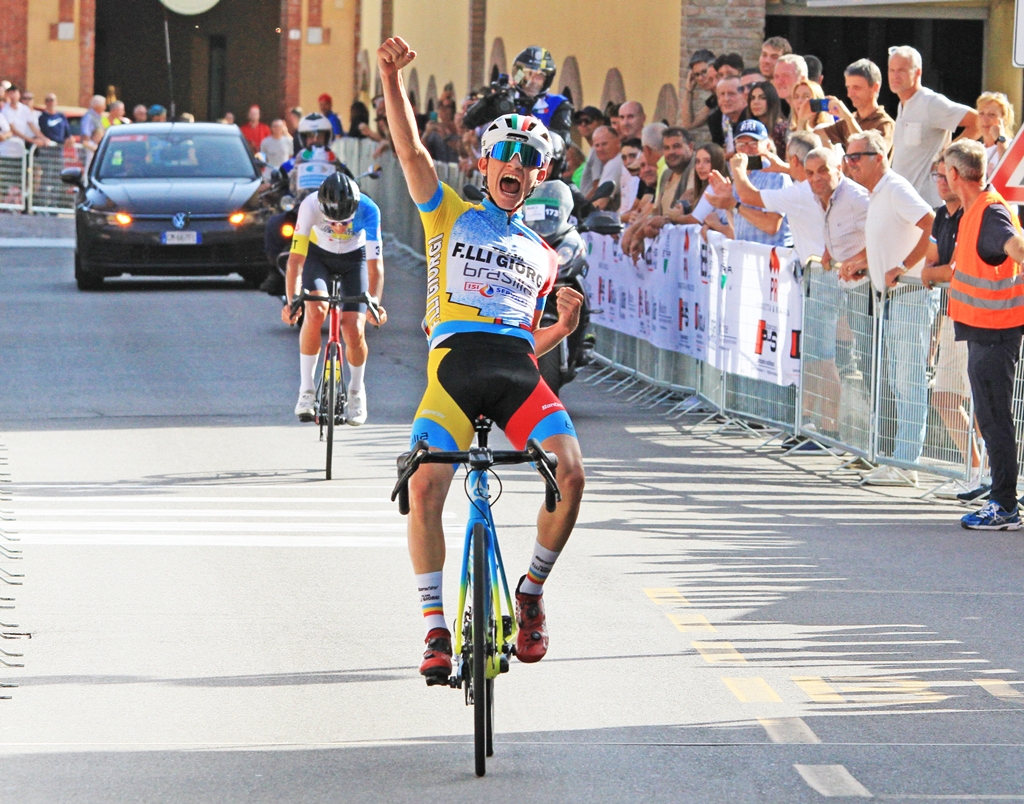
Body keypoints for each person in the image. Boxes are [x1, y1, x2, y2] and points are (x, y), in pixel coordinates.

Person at [377, 35, 586, 679]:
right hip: (454, 369)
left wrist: (565, 327)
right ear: (486, 160)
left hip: (516, 373)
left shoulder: (544, 255)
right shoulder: (449, 213)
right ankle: (436, 628)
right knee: (423, 486)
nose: (516, 168)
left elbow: (526, 341)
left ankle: (529, 592)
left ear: (538, 176)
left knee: (571, 473)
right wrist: (392, 79)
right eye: (506, 156)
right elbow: (411, 149)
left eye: (529, 162)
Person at [839, 130, 935, 487]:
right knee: (897, 381)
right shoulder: (878, 193)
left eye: (855, 157)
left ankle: (906, 464)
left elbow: (931, 223)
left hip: (910, 295)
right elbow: (887, 239)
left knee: (908, 382)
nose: (849, 164)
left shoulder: (894, 188)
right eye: (848, 157)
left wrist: (903, 265)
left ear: (878, 157)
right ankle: (899, 460)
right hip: (894, 298)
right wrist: (861, 262)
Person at [942, 139, 1024, 529]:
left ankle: (1005, 505)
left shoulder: (989, 213)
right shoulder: (978, 209)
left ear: (955, 174)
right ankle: (1002, 499)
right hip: (986, 330)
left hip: (995, 331)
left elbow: (1016, 246)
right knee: (992, 417)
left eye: (944, 171)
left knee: (995, 418)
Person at [283, 172, 386, 426]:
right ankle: (306, 390)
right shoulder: (309, 206)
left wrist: (374, 303)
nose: (339, 228)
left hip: (356, 259)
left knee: (353, 328)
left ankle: (356, 391)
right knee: (315, 311)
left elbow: (376, 267)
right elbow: (296, 260)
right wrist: (292, 301)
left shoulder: (369, 209)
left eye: (345, 222)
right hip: (319, 257)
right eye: (332, 222)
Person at [919, 158, 980, 493]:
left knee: (979, 400)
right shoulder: (941, 215)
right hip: (948, 315)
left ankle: (992, 472)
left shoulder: (974, 213)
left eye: (946, 175)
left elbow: (951, 270)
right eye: (936, 175)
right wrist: (934, 272)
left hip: (975, 317)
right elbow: (930, 262)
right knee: (943, 395)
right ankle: (974, 468)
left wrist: (934, 272)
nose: (941, 181)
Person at [888, 45, 979, 207]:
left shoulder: (930, 103)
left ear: (917, 73)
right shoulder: (903, 104)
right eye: (891, 70)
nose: (895, 76)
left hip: (928, 205)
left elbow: (977, 122)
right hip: (904, 204)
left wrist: (946, 156)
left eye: (901, 70)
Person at [705, 119, 793, 247]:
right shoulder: (741, 175)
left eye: (753, 143)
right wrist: (728, 204)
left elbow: (771, 226)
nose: (746, 149)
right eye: (741, 145)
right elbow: (738, 227)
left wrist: (734, 205)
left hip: (773, 260)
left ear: (767, 146)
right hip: (747, 257)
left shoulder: (776, 176)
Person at [822, 59, 895, 155]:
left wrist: (848, 118)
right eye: (848, 87)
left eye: (856, 88)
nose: (849, 94)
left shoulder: (885, 123)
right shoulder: (851, 120)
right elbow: (815, 137)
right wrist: (804, 117)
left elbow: (870, 155)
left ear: (875, 87)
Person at [1, 85, 52, 157]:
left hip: (20, 151)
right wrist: (33, 141)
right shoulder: (5, 110)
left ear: (19, 95)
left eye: (14, 93)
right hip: (6, 151)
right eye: (10, 93)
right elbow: (13, 130)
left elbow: (32, 126)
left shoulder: (24, 109)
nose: (13, 96)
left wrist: (43, 138)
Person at [975, 91, 1015, 179]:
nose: (985, 119)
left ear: (1004, 119)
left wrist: (1000, 139)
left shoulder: (1014, 147)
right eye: (981, 113)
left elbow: (1010, 173)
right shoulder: (974, 151)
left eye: (992, 115)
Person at [680, 49, 718, 139]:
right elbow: (688, 124)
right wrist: (689, 90)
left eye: (704, 72)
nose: (701, 78)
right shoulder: (713, 101)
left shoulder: (725, 96)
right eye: (697, 74)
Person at [747, 81, 787, 156]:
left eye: (762, 98)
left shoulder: (781, 129)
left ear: (772, 101)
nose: (755, 102)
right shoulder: (749, 128)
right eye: (752, 98)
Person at [709, 75, 747, 153]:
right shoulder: (715, 119)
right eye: (722, 94)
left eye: (732, 94)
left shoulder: (752, 118)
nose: (726, 99)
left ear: (744, 96)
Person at [789, 78, 832, 143]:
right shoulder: (792, 133)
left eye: (806, 96)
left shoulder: (824, 128)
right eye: (796, 97)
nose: (799, 101)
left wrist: (802, 120)